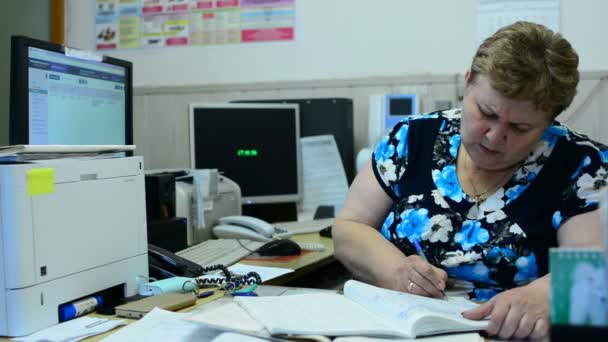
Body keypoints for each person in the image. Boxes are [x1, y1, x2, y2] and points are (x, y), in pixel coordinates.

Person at [333, 21, 606, 340]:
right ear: (467, 84)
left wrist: (546, 295)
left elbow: (591, 269)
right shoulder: (412, 139)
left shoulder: (581, 165)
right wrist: (394, 270)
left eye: (519, 129)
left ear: (548, 122)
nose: (494, 136)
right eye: (486, 113)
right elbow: (349, 227)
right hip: (397, 328)